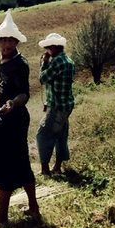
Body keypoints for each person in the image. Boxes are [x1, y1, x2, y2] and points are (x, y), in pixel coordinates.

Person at [0, 12, 42, 226]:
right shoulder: (2, 62)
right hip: (4, 118)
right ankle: (33, 208)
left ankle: (2, 216)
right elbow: (1, 87)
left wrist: (12, 104)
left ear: (16, 42)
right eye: (3, 40)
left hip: (16, 119)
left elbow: (24, 94)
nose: (6, 43)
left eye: (10, 40)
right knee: (18, 162)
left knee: (7, 162)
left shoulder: (20, 64)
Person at [36, 32, 75, 177]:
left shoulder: (57, 62)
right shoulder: (68, 61)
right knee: (60, 135)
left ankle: (45, 169)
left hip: (57, 107)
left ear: (53, 47)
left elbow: (43, 78)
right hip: (65, 105)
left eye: (47, 48)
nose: (46, 51)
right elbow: (57, 85)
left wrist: (44, 63)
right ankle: (57, 167)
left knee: (43, 135)